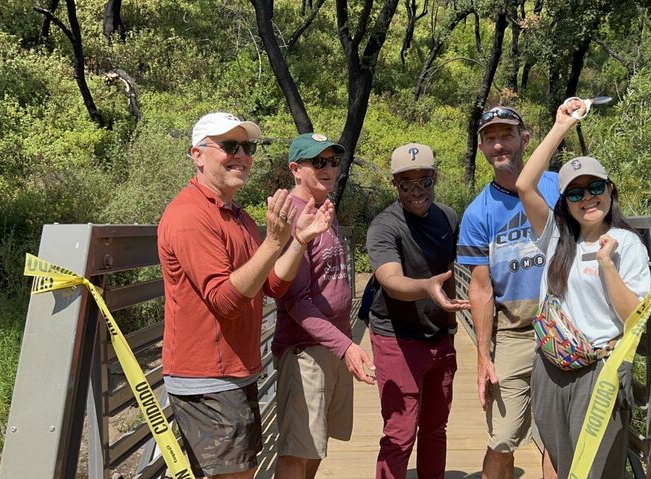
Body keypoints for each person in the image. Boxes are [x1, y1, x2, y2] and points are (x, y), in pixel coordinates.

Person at [158, 112, 333, 479]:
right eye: (229, 146)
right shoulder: (190, 215)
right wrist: (273, 242)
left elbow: (270, 285)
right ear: (197, 154)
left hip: (235, 373)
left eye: (247, 146)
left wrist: (298, 240)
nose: (241, 154)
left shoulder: (236, 216)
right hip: (206, 378)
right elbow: (225, 300)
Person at [516, 99, 651, 478]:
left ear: (610, 190)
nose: (587, 198)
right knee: (563, 464)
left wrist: (607, 265)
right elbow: (525, 184)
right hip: (551, 366)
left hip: (599, 371)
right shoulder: (557, 237)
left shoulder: (628, 244)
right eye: (575, 193)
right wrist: (561, 125)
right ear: (565, 204)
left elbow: (634, 320)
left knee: (596, 471)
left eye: (595, 187)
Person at [457, 107, 559, 479]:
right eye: (490, 138)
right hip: (514, 332)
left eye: (507, 135)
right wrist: (484, 357)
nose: (499, 144)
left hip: (564, 328)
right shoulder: (477, 213)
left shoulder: (558, 186)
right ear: (482, 146)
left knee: (558, 439)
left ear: (525, 140)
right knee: (502, 440)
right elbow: (480, 288)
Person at [272, 132, 376, 479]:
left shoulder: (322, 211)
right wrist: (347, 347)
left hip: (332, 346)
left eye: (332, 161)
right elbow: (295, 302)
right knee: (297, 451)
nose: (329, 167)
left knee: (316, 446)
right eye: (318, 162)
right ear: (295, 169)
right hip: (307, 351)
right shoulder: (293, 216)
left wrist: (344, 346)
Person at [365, 143, 471, 478]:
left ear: (435, 178)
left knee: (435, 428)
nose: (417, 191)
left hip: (439, 336)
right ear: (395, 185)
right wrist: (425, 286)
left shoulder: (448, 217)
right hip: (396, 336)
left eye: (424, 181)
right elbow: (390, 280)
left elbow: (452, 274)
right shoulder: (384, 226)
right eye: (407, 184)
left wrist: (451, 330)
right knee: (400, 431)